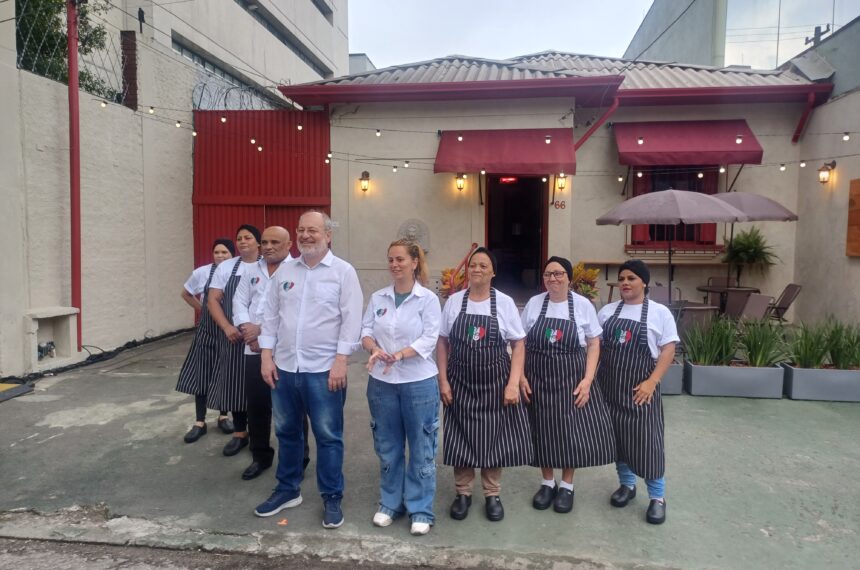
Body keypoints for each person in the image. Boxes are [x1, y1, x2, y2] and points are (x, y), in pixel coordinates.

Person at [255, 211, 363, 529]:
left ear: (328, 235)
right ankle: (288, 489)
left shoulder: (343, 272)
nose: (305, 235)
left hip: (324, 370)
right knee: (287, 432)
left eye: (313, 230)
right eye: (301, 230)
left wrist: (341, 361)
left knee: (328, 437)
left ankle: (331, 496)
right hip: (285, 368)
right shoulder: (285, 271)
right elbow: (271, 316)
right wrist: (265, 356)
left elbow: (351, 319)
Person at [436, 247, 533, 523]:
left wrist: (513, 383)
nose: (476, 270)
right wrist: (443, 380)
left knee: (494, 438)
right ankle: (463, 493)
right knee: (460, 436)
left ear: (493, 272)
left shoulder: (504, 303)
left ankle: (492, 494)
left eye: (483, 265)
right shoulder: (455, 302)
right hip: (460, 380)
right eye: (473, 265)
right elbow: (443, 341)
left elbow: (518, 343)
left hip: (495, 381)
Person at [520, 256, 616, 514]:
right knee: (542, 427)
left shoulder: (582, 305)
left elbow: (595, 343)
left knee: (569, 430)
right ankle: (547, 482)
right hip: (538, 376)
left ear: (569, 278)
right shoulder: (534, 303)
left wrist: (587, 380)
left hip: (571, 378)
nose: (553, 278)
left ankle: (567, 485)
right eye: (548, 274)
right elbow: (520, 341)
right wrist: (521, 376)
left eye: (559, 273)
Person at [360, 239, 442, 536]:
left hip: (418, 382)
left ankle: (420, 508)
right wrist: (373, 348)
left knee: (421, 445)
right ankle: (390, 503)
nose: (394, 265)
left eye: (400, 260)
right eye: (390, 259)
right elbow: (366, 331)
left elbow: (430, 338)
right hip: (382, 383)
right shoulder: (378, 297)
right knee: (387, 446)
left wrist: (398, 354)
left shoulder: (427, 300)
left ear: (414, 262)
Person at [596, 260, 678, 525]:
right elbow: (595, 347)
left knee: (648, 444)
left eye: (631, 278)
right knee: (619, 441)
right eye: (622, 278)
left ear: (644, 282)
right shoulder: (608, 312)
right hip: (610, 388)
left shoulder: (658, 313)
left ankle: (657, 498)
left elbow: (668, 350)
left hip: (641, 390)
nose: (625, 283)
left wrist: (652, 382)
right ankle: (627, 486)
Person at [231, 226, 309, 481]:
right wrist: (247, 331)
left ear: (289, 245)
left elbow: (296, 313)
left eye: (275, 242)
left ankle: (300, 457)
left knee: (293, 408)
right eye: (264, 242)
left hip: (286, 351)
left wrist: (261, 331)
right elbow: (239, 302)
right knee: (257, 406)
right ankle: (260, 456)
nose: (268, 247)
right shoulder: (251, 271)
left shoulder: (299, 271)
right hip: (252, 348)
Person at [207, 224, 262, 457]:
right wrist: (227, 327)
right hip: (232, 336)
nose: (242, 241)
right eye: (238, 238)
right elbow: (212, 300)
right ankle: (240, 432)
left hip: (261, 337)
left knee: (260, 386)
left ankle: (261, 434)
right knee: (234, 384)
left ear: (258, 242)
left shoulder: (267, 266)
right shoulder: (227, 267)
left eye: (248, 237)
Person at [175, 238, 236, 442]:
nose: (220, 256)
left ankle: (223, 416)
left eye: (225, 252)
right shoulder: (201, 272)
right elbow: (186, 293)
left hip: (228, 333)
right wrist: (203, 309)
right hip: (207, 333)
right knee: (201, 375)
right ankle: (199, 422)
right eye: (217, 252)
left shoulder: (236, 272)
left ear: (232, 255)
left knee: (225, 375)